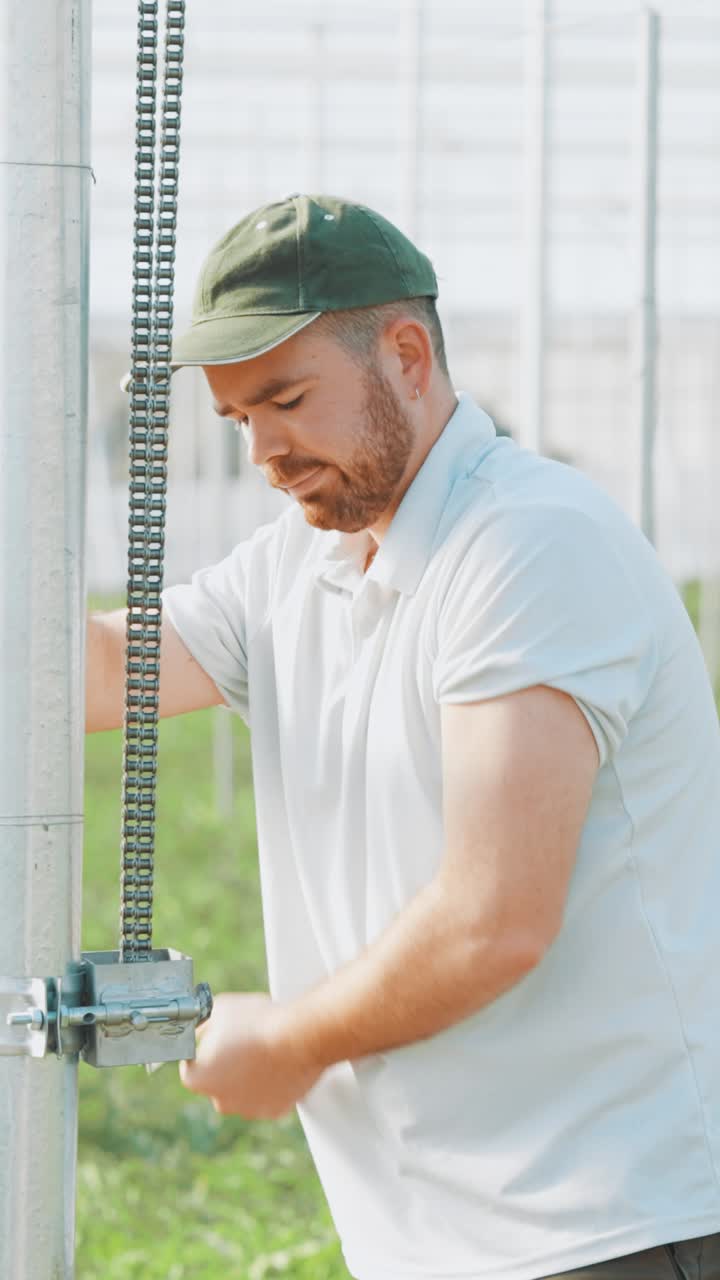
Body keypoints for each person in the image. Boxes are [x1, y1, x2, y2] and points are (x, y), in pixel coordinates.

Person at [87, 194, 720, 1280]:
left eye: (287, 400)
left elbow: (496, 917)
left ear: (409, 354)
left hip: (602, 1221)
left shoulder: (526, 544)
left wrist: (285, 1042)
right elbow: (95, 676)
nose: (264, 454)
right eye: (241, 420)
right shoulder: (303, 558)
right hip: (441, 1233)